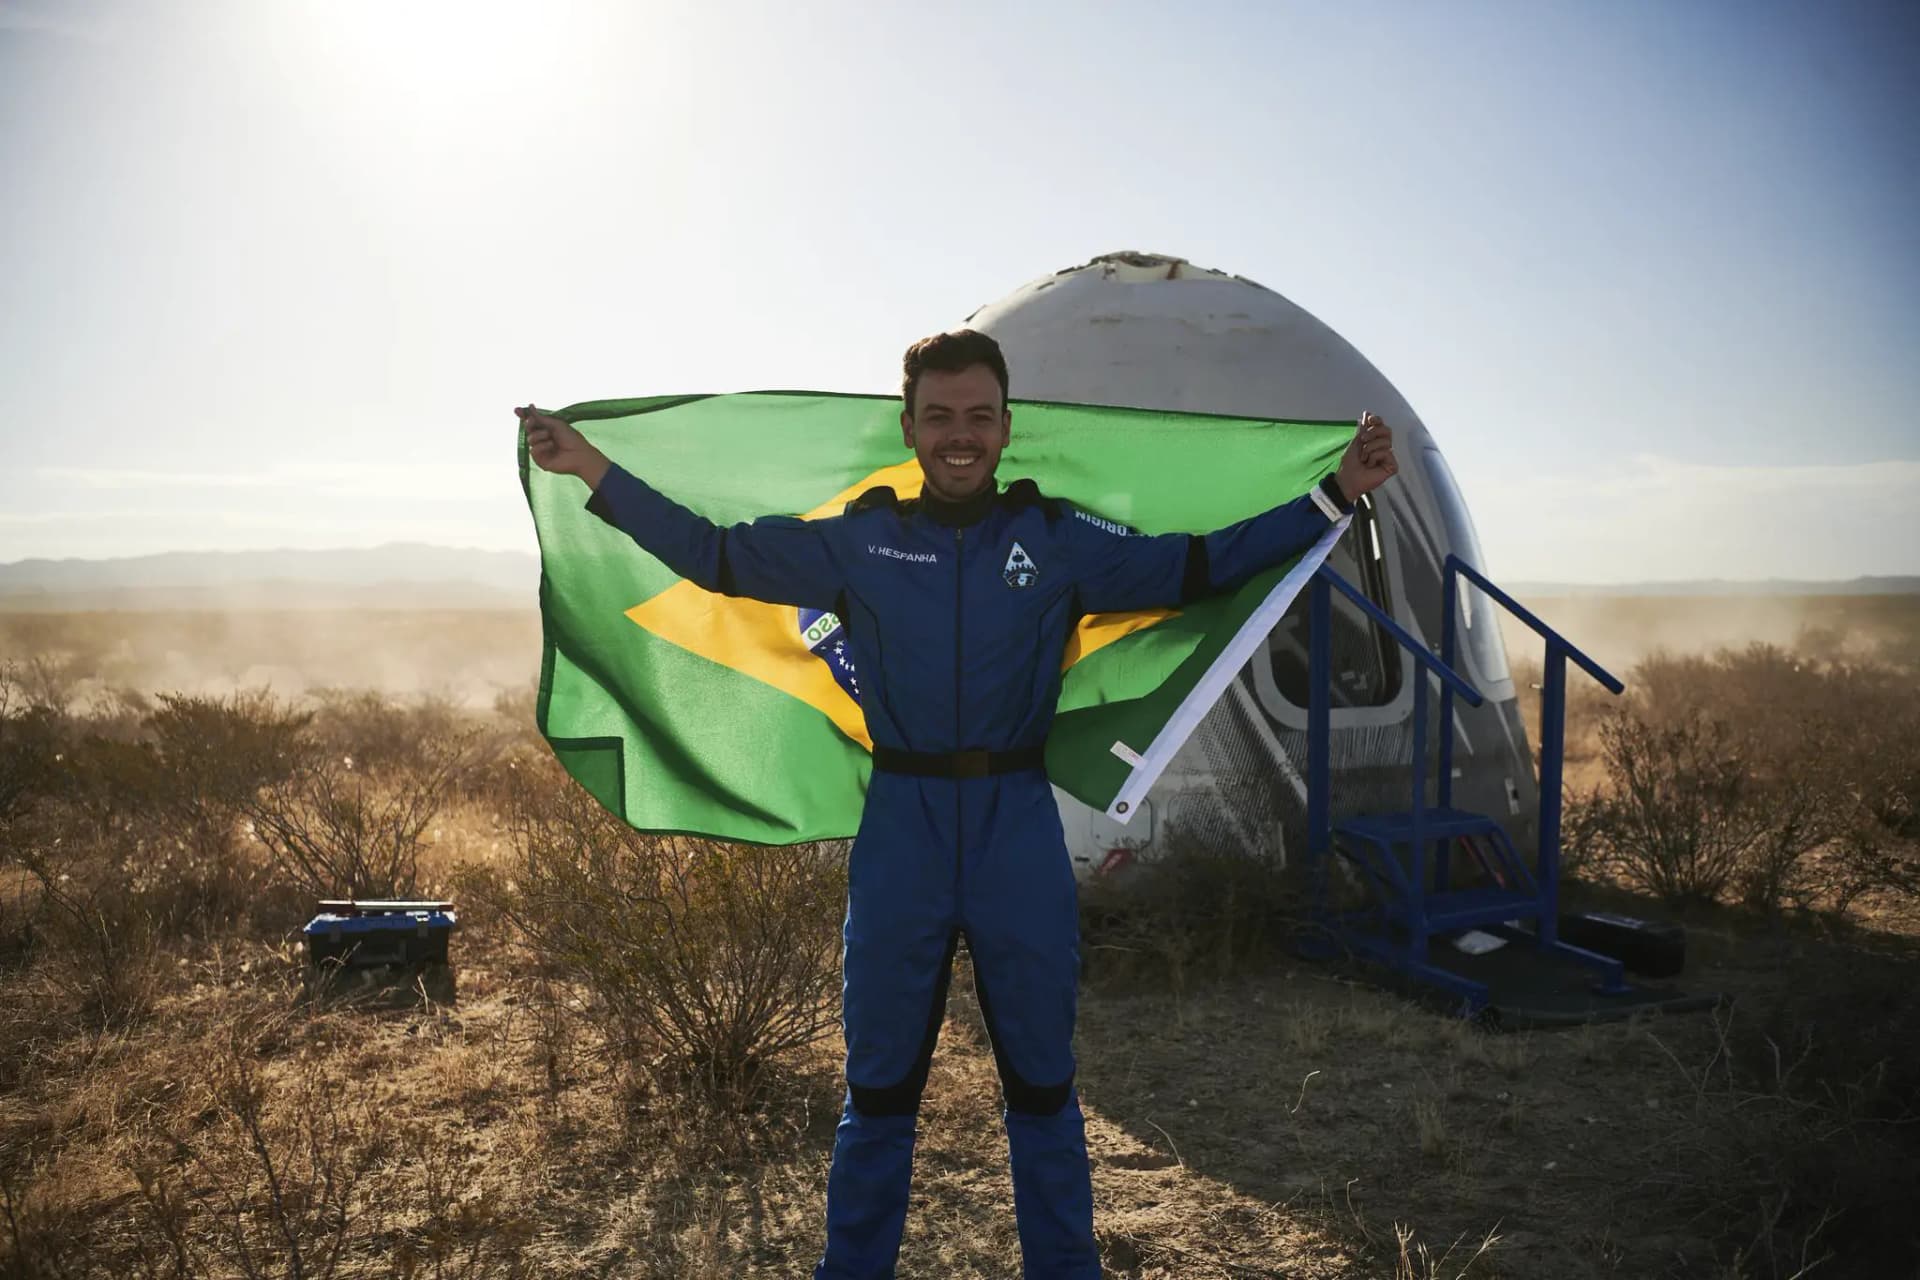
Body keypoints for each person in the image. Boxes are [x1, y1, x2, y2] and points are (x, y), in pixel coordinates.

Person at [519, 329, 1398, 1280]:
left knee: (1042, 1083)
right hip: (903, 825)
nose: (960, 434)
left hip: (1014, 822)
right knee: (881, 1087)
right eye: (939, 416)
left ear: (1007, 425)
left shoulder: (1054, 540)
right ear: (909, 426)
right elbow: (718, 556)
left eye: (979, 415)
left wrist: (1333, 493)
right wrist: (594, 469)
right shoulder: (862, 540)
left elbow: (1197, 566)